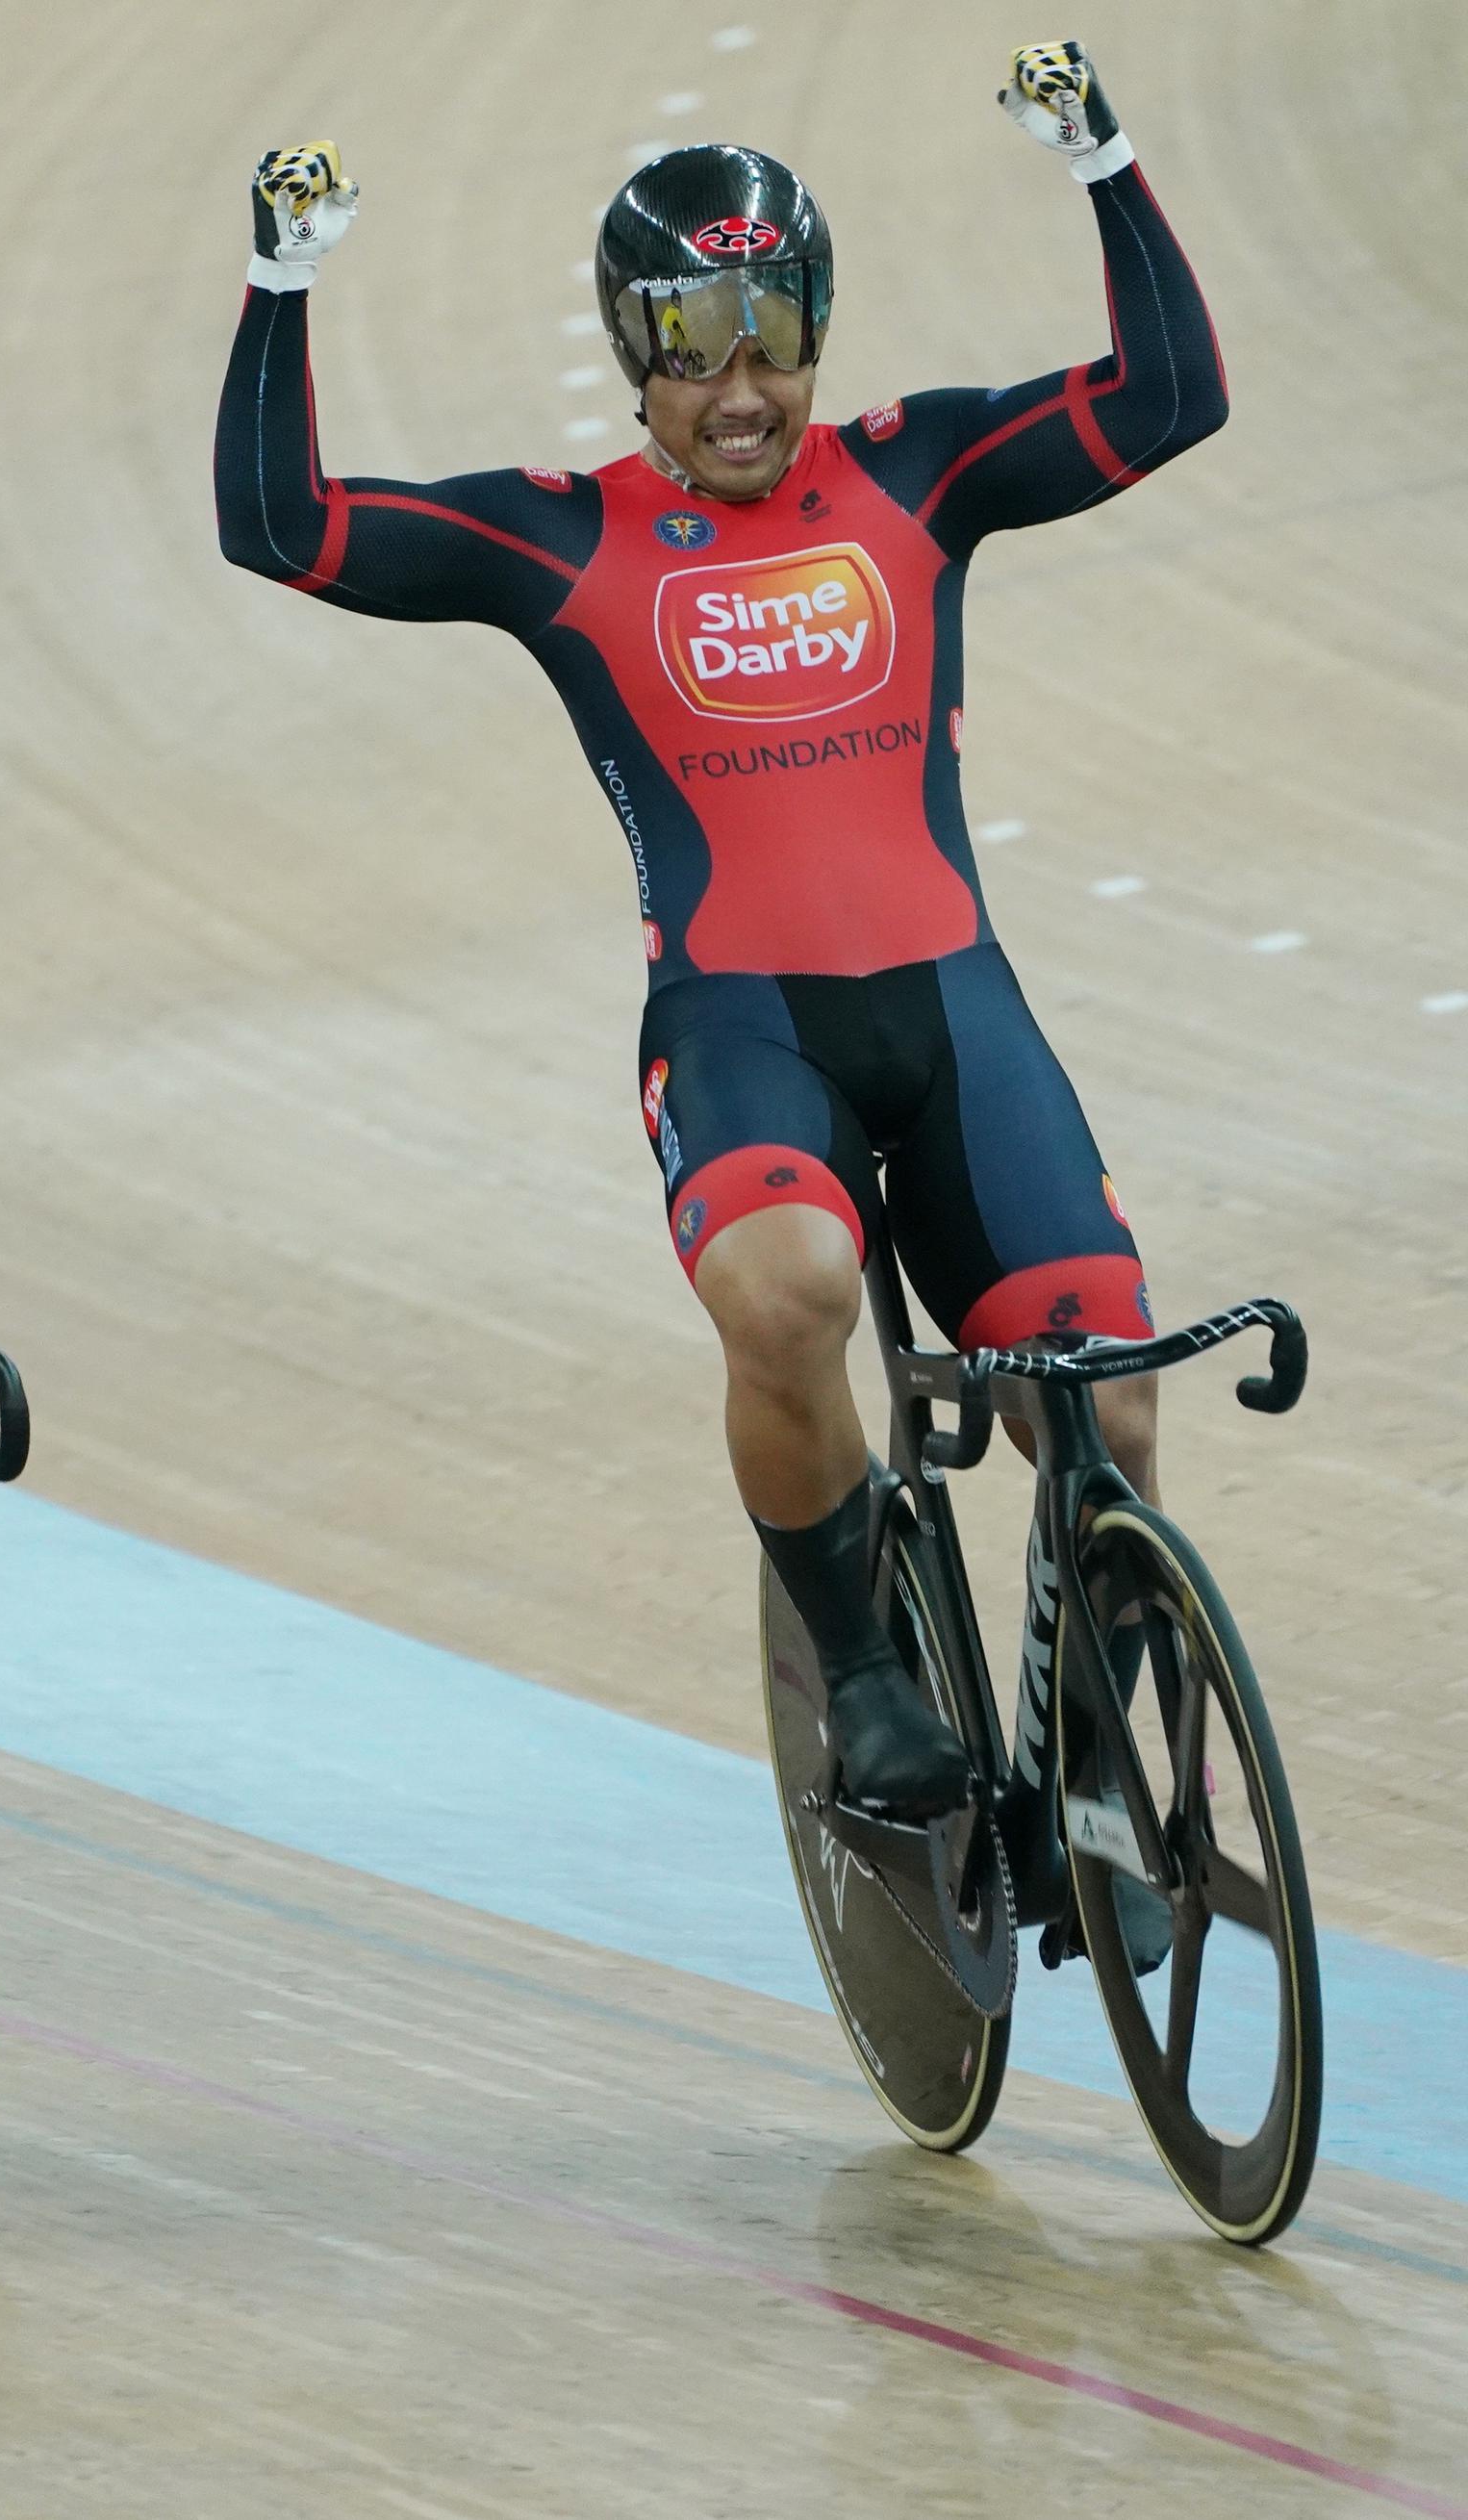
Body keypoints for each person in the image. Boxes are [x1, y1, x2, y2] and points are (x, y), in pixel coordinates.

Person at [216, 43, 1226, 1818]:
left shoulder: (920, 471)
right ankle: (860, 1671)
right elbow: (281, 527)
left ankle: (1078, 1761)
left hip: (954, 1017)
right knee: (793, 1300)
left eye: (768, 323)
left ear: (819, 318)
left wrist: (1108, 162)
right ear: (631, 356)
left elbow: (1168, 398)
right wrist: (280, 290)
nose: (736, 378)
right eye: (687, 338)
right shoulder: (560, 538)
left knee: (1111, 1400)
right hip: (746, 1028)